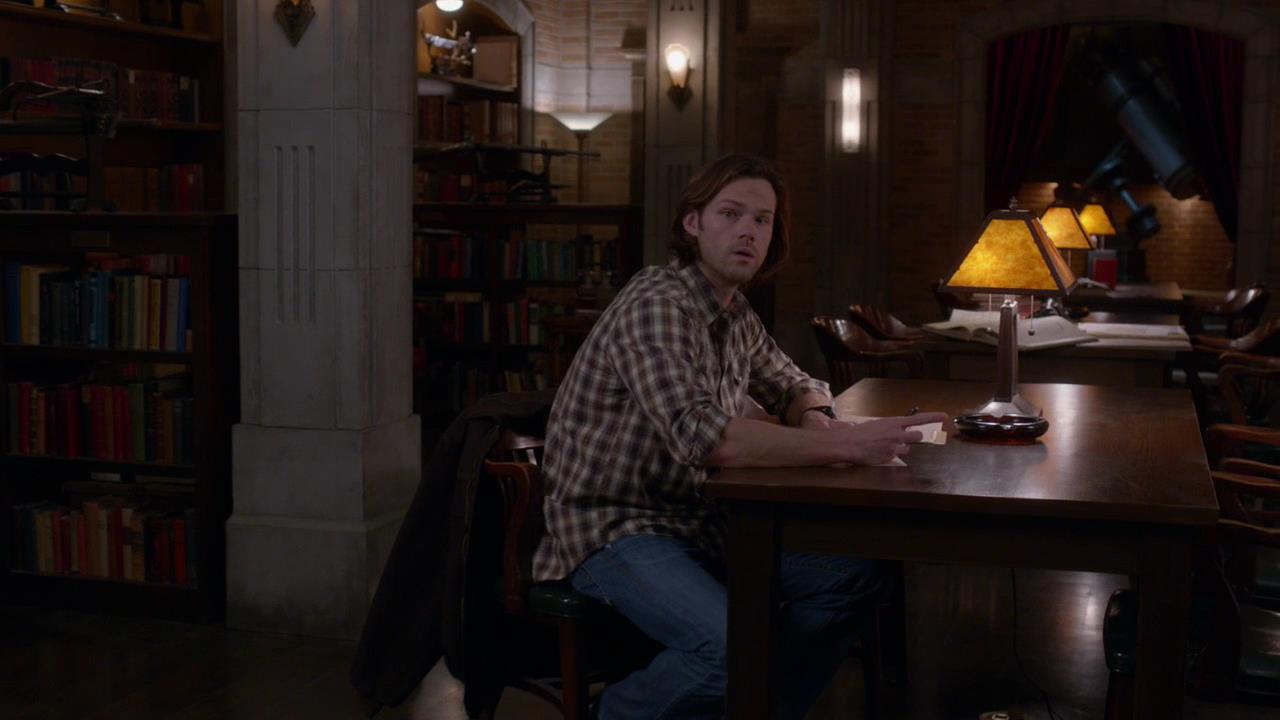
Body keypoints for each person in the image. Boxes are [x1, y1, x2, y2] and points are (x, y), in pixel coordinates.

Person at [532, 153, 945, 720]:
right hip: (615, 526)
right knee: (728, 649)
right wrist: (849, 443)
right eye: (731, 214)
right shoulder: (657, 301)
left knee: (852, 578)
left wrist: (816, 418)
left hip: (699, 519)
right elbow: (706, 440)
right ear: (692, 223)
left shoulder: (734, 312)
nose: (748, 230)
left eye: (762, 220)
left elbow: (796, 382)